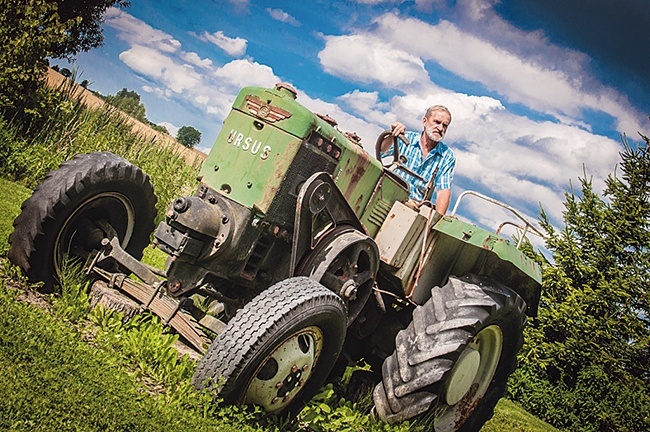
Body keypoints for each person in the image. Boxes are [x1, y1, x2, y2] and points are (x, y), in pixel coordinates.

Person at [379, 105, 456, 214]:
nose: (440, 128)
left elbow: (443, 190)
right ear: (425, 121)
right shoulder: (407, 138)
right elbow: (382, 151)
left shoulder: (447, 156)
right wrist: (393, 134)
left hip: (414, 208)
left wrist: (435, 222)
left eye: (445, 126)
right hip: (388, 194)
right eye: (437, 122)